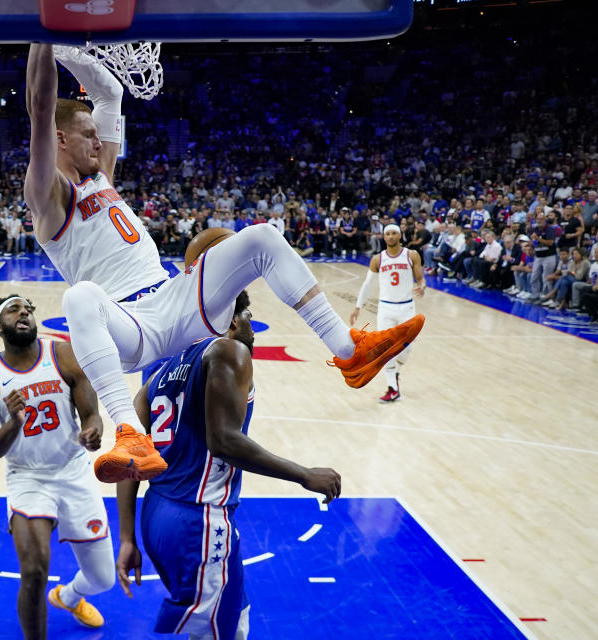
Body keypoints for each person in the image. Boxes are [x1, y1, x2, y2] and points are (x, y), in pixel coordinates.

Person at [23, 44, 424, 483]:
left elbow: (110, 94)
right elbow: (41, 108)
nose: (100, 142)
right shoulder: (49, 196)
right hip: (128, 326)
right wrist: (40, 36)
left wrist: (66, 46)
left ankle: (349, 352)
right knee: (79, 296)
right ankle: (130, 431)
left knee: (263, 237)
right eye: (88, 136)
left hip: (173, 297)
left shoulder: (101, 173)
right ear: (59, 140)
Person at [114, 291, 341, 639]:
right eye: (249, 313)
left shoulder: (158, 375)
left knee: (235, 618)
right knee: (219, 632)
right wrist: (304, 475)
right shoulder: (228, 350)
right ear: (233, 319)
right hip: (198, 518)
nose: (253, 325)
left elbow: (130, 458)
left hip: (158, 515)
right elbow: (223, 441)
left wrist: (128, 537)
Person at [0, 295, 115, 640]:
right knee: (33, 571)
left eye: (28, 309)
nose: (24, 313)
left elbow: (91, 413)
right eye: (14, 309)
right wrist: (12, 425)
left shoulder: (62, 354)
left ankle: (67, 597)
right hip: (27, 478)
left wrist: (92, 431)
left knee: (103, 578)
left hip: (73, 470)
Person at [350, 224, 426, 402]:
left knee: (407, 347)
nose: (390, 236)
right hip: (385, 308)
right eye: (387, 234)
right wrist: (357, 307)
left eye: (393, 233)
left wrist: (422, 287)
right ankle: (392, 388)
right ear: (383, 237)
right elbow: (367, 284)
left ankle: (396, 373)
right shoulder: (378, 259)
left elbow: (421, 279)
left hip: (407, 307)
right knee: (386, 348)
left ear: (399, 236)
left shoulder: (411, 255)